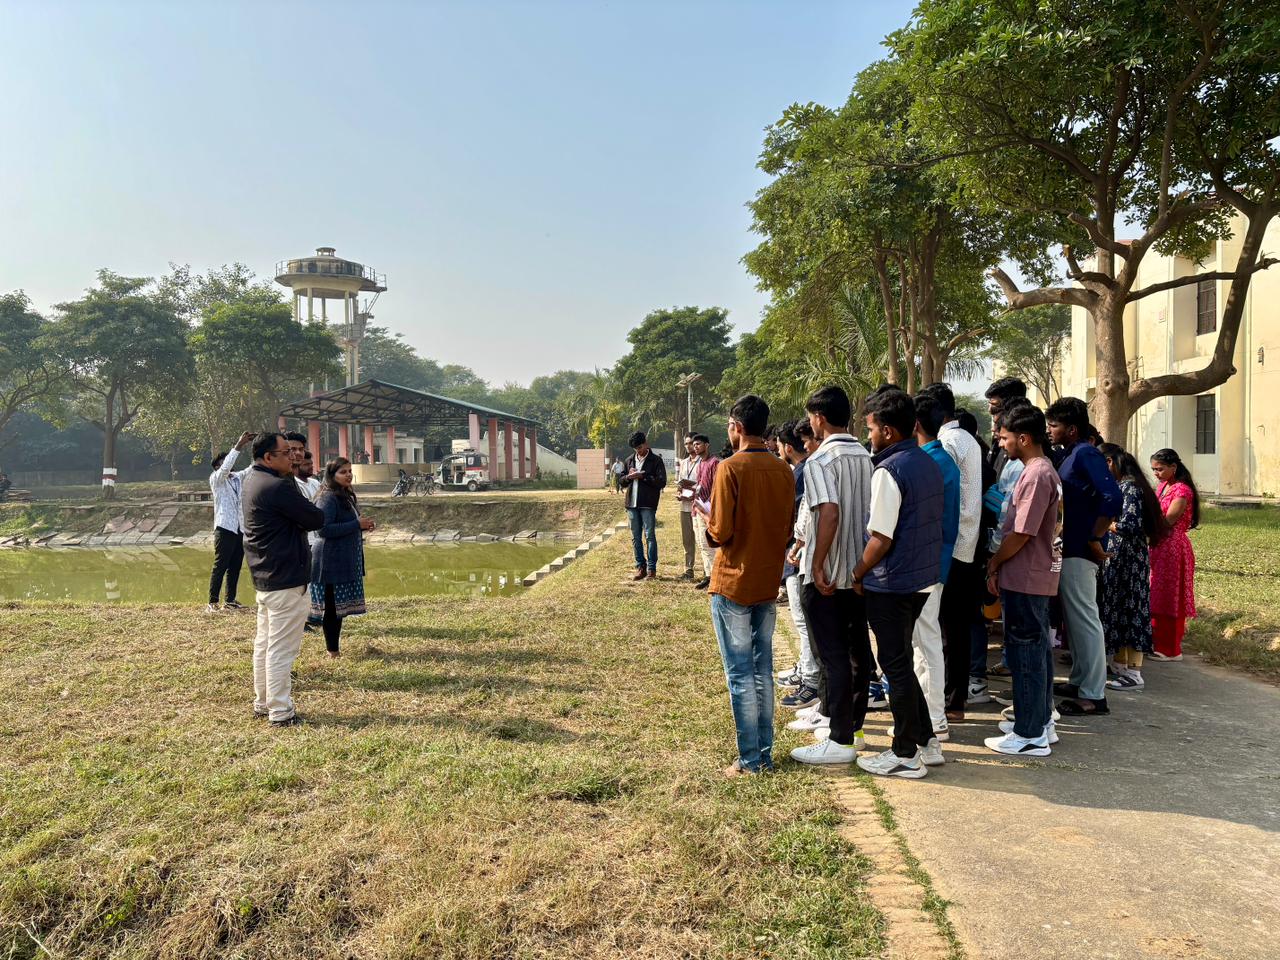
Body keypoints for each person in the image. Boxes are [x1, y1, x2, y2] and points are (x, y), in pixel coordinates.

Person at [849, 386, 945, 779]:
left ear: (887, 431)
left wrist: (856, 573)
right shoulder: (927, 462)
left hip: (893, 583)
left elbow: (881, 538)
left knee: (896, 668)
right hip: (922, 578)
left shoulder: (889, 470)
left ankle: (905, 753)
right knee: (902, 663)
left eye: (871, 429)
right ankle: (926, 741)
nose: (868, 436)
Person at [704, 395, 796, 776]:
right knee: (762, 672)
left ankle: (749, 760)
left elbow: (721, 530)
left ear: (737, 427)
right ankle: (765, 754)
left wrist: (706, 518)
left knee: (739, 674)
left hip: (732, 581)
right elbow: (787, 528)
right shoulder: (784, 470)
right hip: (766, 581)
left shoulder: (730, 468)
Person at [789, 385, 875, 766]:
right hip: (858, 572)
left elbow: (829, 512)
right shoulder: (865, 455)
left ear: (819, 418)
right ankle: (850, 727)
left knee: (832, 657)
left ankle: (839, 737)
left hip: (828, 575)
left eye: (810, 417)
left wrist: (818, 562)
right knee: (857, 654)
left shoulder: (821, 460)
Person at [983, 403, 1062, 756]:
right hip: (1034, 575)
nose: (1001, 444)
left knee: (1027, 652)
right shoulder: (1043, 470)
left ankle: (1029, 732)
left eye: (1005, 437)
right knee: (1038, 650)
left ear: (1024, 438)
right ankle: (1040, 721)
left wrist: (995, 562)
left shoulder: (1035, 474)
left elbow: (1021, 532)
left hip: (1026, 575)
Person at [1045, 397, 1122, 717]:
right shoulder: (1070, 455)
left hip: (1080, 550)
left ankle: (1093, 694)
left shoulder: (1086, 453)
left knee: (1085, 620)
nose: (1049, 430)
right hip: (1068, 548)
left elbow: (1112, 496)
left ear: (1072, 428)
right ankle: (1080, 680)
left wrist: (1094, 536)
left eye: (1055, 425)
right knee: (1074, 622)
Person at [241, 432, 325, 727]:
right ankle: (280, 711)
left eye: (295, 451)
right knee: (281, 649)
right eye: (286, 452)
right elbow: (315, 518)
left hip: (266, 576)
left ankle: (263, 702)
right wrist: (290, 479)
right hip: (286, 578)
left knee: (265, 643)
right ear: (268, 458)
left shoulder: (253, 480)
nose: (293, 457)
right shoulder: (278, 486)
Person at [920, 383, 984, 724]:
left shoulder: (947, 443)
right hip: (966, 542)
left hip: (954, 544)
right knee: (955, 628)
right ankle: (954, 697)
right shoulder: (968, 440)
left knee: (945, 629)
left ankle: (949, 699)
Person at [908, 390, 960, 742]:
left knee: (926, 642)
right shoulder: (938, 460)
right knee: (922, 642)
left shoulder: (933, 463)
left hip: (928, 562)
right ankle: (929, 712)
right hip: (932, 560)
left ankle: (935, 717)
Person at [1097, 443, 1162, 689]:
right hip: (1119, 558)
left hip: (1128, 560)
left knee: (1131, 610)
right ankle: (1121, 664)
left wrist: (1107, 524)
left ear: (1111, 462)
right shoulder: (1125, 486)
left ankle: (1134, 672)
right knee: (1119, 610)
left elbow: (1130, 524)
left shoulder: (1130, 488)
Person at [308, 457, 376, 658]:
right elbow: (323, 529)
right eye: (343, 472)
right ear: (332, 475)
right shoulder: (328, 497)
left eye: (349, 471)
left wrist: (361, 525)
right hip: (329, 562)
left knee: (337, 609)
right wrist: (356, 525)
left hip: (342, 558)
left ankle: (334, 649)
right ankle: (332, 652)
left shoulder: (344, 495)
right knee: (331, 609)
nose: (348, 475)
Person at [775, 421, 820, 709]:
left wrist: (795, 545)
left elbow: (800, 517)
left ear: (787, 448)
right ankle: (806, 669)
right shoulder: (803, 471)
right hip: (797, 550)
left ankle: (811, 678)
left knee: (804, 621)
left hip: (799, 552)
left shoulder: (804, 473)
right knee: (803, 622)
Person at [1149, 448, 1199, 662]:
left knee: (1171, 596)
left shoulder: (1182, 490)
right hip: (1160, 546)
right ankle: (1157, 642)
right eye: (1153, 470)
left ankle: (1171, 648)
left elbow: (1169, 519)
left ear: (1173, 467)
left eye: (1160, 469)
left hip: (1173, 547)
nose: (1156, 473)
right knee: (1156, 594)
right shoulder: (1162, 487)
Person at [207, 431, 256, 613]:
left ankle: (230, 600)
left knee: (235, 565)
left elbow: (253, 467)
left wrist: (258, 446)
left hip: (239, 528)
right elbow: (226, 467)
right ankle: (212, 602)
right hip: (224, 527)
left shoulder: (237, 478)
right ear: (217, 468)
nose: (228, 467)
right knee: (221, 565)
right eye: (223, 464)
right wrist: (238, 445)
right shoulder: (216, 480)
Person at [619, 431, 667, 581]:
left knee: (650, 536)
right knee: (635, 537)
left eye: (640, 447)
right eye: (635, 449)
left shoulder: (656, 461)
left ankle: (652, 568)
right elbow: (620, 480)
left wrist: (644, 476)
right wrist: (628, 477)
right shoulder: (629, 461)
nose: (638, 451)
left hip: (648, 504)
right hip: (631, 504)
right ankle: (641, 566)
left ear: (646, 443)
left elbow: (661, 482)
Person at [692, 435, 721, 589]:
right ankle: (708, 575)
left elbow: (717, 487)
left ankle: (716, 576)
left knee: (709, 544)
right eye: (694, 444)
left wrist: (708, 505)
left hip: (708, 510)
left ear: (707, 445)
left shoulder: (714, 462)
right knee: (701, 544)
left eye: (698, 444)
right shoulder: (700, 463)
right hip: (697, 507)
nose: (695, 447)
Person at [675, 433, 700, 581]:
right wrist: (680, 490)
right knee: (687, 539)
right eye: (686, 443)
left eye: (691, 443)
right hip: (685, 505)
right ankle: (688, 569)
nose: (689, 446)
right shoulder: (683, 462)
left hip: (698, 506)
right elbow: (680, 482)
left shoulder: (702, 461)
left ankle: (707, 571)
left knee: (702, 539)